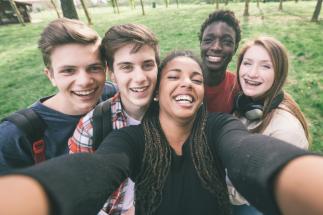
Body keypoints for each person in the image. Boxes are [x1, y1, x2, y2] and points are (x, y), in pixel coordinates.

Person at [0, 51, 321, 215]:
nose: (185, 83)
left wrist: (301, 177)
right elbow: (98, 168)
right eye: (174, 77)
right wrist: (32, 196)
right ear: (157, 92)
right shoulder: (130, 137)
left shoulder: (217, 126)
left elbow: (247, 151)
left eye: (195, 78)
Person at [0, 18, 115, 173]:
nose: (85, 81)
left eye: (94, 68)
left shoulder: (113, 94)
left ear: (105, 69)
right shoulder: (15, 136)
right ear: (50, 76)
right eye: (68, 70)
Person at [68, 23, 159, 215]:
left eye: (147, 65)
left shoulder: (172, 115)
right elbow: (79, 197)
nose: (140, 77)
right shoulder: (91, 128)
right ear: (112, 74)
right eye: (127, 67)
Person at [228, 36, 311, 215]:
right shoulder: (246, 104)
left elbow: (246, 191)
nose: (252, 73)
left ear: (279, 74)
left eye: (265, 66)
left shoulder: (286, 130)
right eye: (247, 63)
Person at [199, 10, 241, 113]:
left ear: (235, 48)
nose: (216, 47)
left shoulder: (238, 86)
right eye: (208, 40)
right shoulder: (182, 82)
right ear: (201, 44)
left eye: (226, 41)